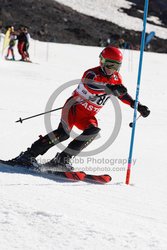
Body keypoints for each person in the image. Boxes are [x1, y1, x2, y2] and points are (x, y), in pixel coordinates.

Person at [9, 46, 150, 170]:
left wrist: (137, 106)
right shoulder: (92, 73)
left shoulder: (116, 79)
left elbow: (122, 95)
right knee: (63, 133)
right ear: (102, 61)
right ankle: (27, 156)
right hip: (73, 108)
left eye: (116, 66)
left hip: (88, 115)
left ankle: (61, 160)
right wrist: (109, 88)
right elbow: (91, 86)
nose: (112, 70)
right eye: (109, 65)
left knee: (93, 131)